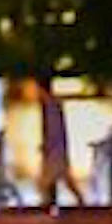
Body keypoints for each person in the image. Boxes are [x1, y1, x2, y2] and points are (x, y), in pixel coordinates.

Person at [38, 76, 87, 215]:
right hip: (58, 150)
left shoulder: (50, 107)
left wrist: (47, 146)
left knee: (47, 181)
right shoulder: (53, 105)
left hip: (55, 151)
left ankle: (48, 204)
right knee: (63, 179)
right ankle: (77, 202)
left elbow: (53, 130)